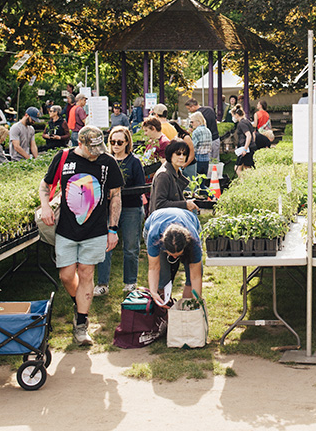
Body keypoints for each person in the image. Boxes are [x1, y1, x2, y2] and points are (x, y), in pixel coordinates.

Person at [37, 126, 122, 345]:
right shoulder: (64, 157)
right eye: (91, 148)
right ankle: (79, 303)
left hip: (95, 229)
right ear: (80, 144)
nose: (96, 152)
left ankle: (82, 324)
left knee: (86, 274)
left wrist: (112, 228)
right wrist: (45, 207)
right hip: (66, 228)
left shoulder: (107, 162)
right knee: (66, 275)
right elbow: (45, 185)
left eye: (98, 148)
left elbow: (115, 196)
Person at [94, 126, 147, 297]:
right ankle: (102, 283)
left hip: (131, 207)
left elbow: (140, 187)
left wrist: (119, 193)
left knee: (131, 247)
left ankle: (130, 282)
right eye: (112, 141)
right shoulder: (105, 161)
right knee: (104, 246)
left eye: (119, 142)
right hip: (107, 208)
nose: (115, 145)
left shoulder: (134, 162)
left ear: (127, 143)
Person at [145, 207, 203, 305]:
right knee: (163, 276)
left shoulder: (194, 242)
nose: (175, 258)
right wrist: (153, 292)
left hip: (189, 221)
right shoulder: (154, 237)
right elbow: (153, 268)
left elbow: (195, 277)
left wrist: (197, 299)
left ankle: (186, 308)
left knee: (191, 277)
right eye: (172, 255)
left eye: (178, 255)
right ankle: (164, 309)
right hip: (156, 220)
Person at [148, 140, 198, 215]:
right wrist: (185, 205)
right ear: (170, 154)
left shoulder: (176, 172)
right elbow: (159, 204)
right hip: (162, 221)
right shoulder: (163, 175)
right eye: (178, 154)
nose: (181, 157)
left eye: (184, 154)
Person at [185, 98, 221, 162]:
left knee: (207, 163)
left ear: (193, 106)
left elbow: (191, 129)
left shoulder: (196, 115)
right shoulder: (210, 109)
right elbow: (215, 121)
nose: (189, 110)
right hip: (215, 138)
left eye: (189, 108)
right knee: (215, 161)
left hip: (204, 143)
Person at [231, 104, 257, 174]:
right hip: (250, 147)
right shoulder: (247, 121)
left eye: (233, 115)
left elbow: (248, 135)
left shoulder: (241, 124)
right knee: (247, 167)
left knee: (237, 168)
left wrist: (245, 149)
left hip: (245, 148)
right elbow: (253, 134)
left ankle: (243, 182)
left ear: (236, 115)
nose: (233, 117)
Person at [188, 111, 212, 179]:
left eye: (192, 122)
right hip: (206, 159)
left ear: (198, 121)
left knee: (196, 182)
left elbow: (193, 147)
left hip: (198, 159)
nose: (191, 124)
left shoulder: (196, 132)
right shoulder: (208, 131)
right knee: (203, 181)